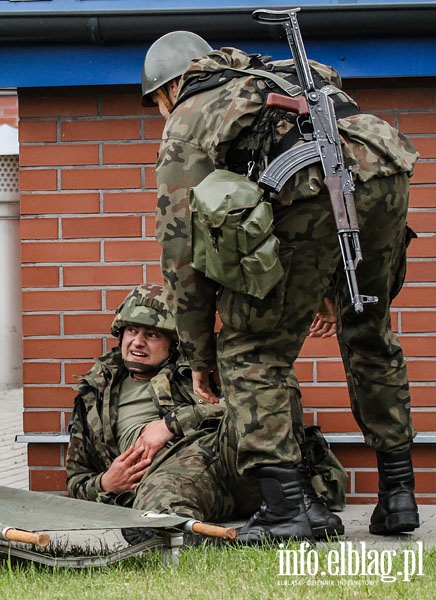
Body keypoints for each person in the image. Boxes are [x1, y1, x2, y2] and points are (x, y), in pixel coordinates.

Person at [143, 30, 419, 542]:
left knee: (252, 351)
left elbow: (180, 251)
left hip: (314, 190)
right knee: (369, 333)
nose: (161, 111)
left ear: (171, 86)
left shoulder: (190, 114)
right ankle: (398, 493)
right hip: (385, 174)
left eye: (157, 101)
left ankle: (288, 508)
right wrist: (335, 291)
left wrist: (201, 357)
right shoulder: (275, 75)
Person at [65, 283, 262, 537]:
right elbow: (75, 481)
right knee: (154, 513)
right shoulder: (95, 393)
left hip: (212, 462)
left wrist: (170, 424)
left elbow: (249, 403)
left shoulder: (195, 373)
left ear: (172, 342)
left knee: (159, 509)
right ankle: (186, 534)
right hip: (152, 483)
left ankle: (170, 532)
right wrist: (106, 483)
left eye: (152, 335)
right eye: (132, 331)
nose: (138, 342)